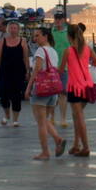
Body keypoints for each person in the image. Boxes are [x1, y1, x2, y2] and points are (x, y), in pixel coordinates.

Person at [26, 29, 66, 160]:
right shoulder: (53, 51)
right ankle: (58, 139)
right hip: (52, 88)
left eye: (37, 36)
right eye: (34, 36)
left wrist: (29, 87)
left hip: (41, 88)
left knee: (41, 122)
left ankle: (45, 151)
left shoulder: (40, 51)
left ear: (45, 36)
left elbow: (36, 70)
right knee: (44, 120)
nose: (35, 38)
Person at [64, 23, 96, 156]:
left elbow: (60, 68)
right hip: (87, 86)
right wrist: (86, 64)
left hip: (74, 87)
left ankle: (85, 147)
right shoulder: (87, 49)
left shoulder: (68, 50)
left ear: (69, 36)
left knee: (79, 117)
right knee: (76, 116)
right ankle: (76, 145)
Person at [0, 20, 29, 127]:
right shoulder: (2, 41)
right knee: (4, 95)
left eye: (15, 28)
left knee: (16, 96)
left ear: (18, 30)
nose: (13, 30)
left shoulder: (23, 41)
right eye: (11, 28)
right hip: (4, 72)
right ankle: (7, 115)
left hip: (18, 72)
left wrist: (28, 71)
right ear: (8, 29)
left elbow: (25, 57)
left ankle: (15, 119)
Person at [51, 10, 71, 131]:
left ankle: (63, 118)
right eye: (56, 18)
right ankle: (52, 117)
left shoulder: (68, 32)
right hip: (53, 66)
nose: (58, 21)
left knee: (63, 93)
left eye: (60, 19)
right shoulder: (51, 32)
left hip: (65, 67)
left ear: (64, 20)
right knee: (52, 94)